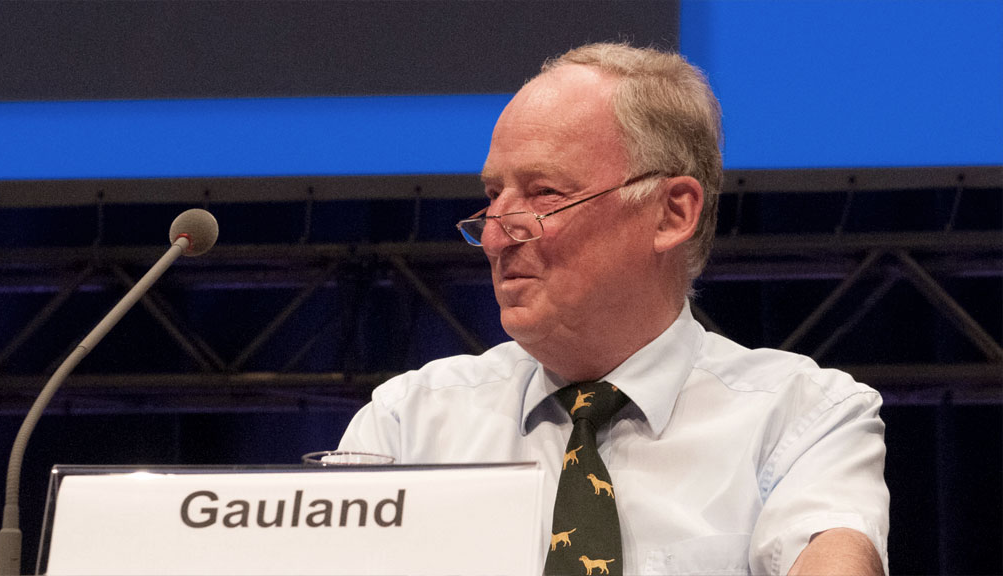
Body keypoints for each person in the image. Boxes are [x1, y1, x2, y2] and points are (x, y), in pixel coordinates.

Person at [338, 42, 889, 575]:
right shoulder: (408, 425)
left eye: (544, 193)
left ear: (672, 214)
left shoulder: (801, 417)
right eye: (493, 195)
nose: (496, 237)